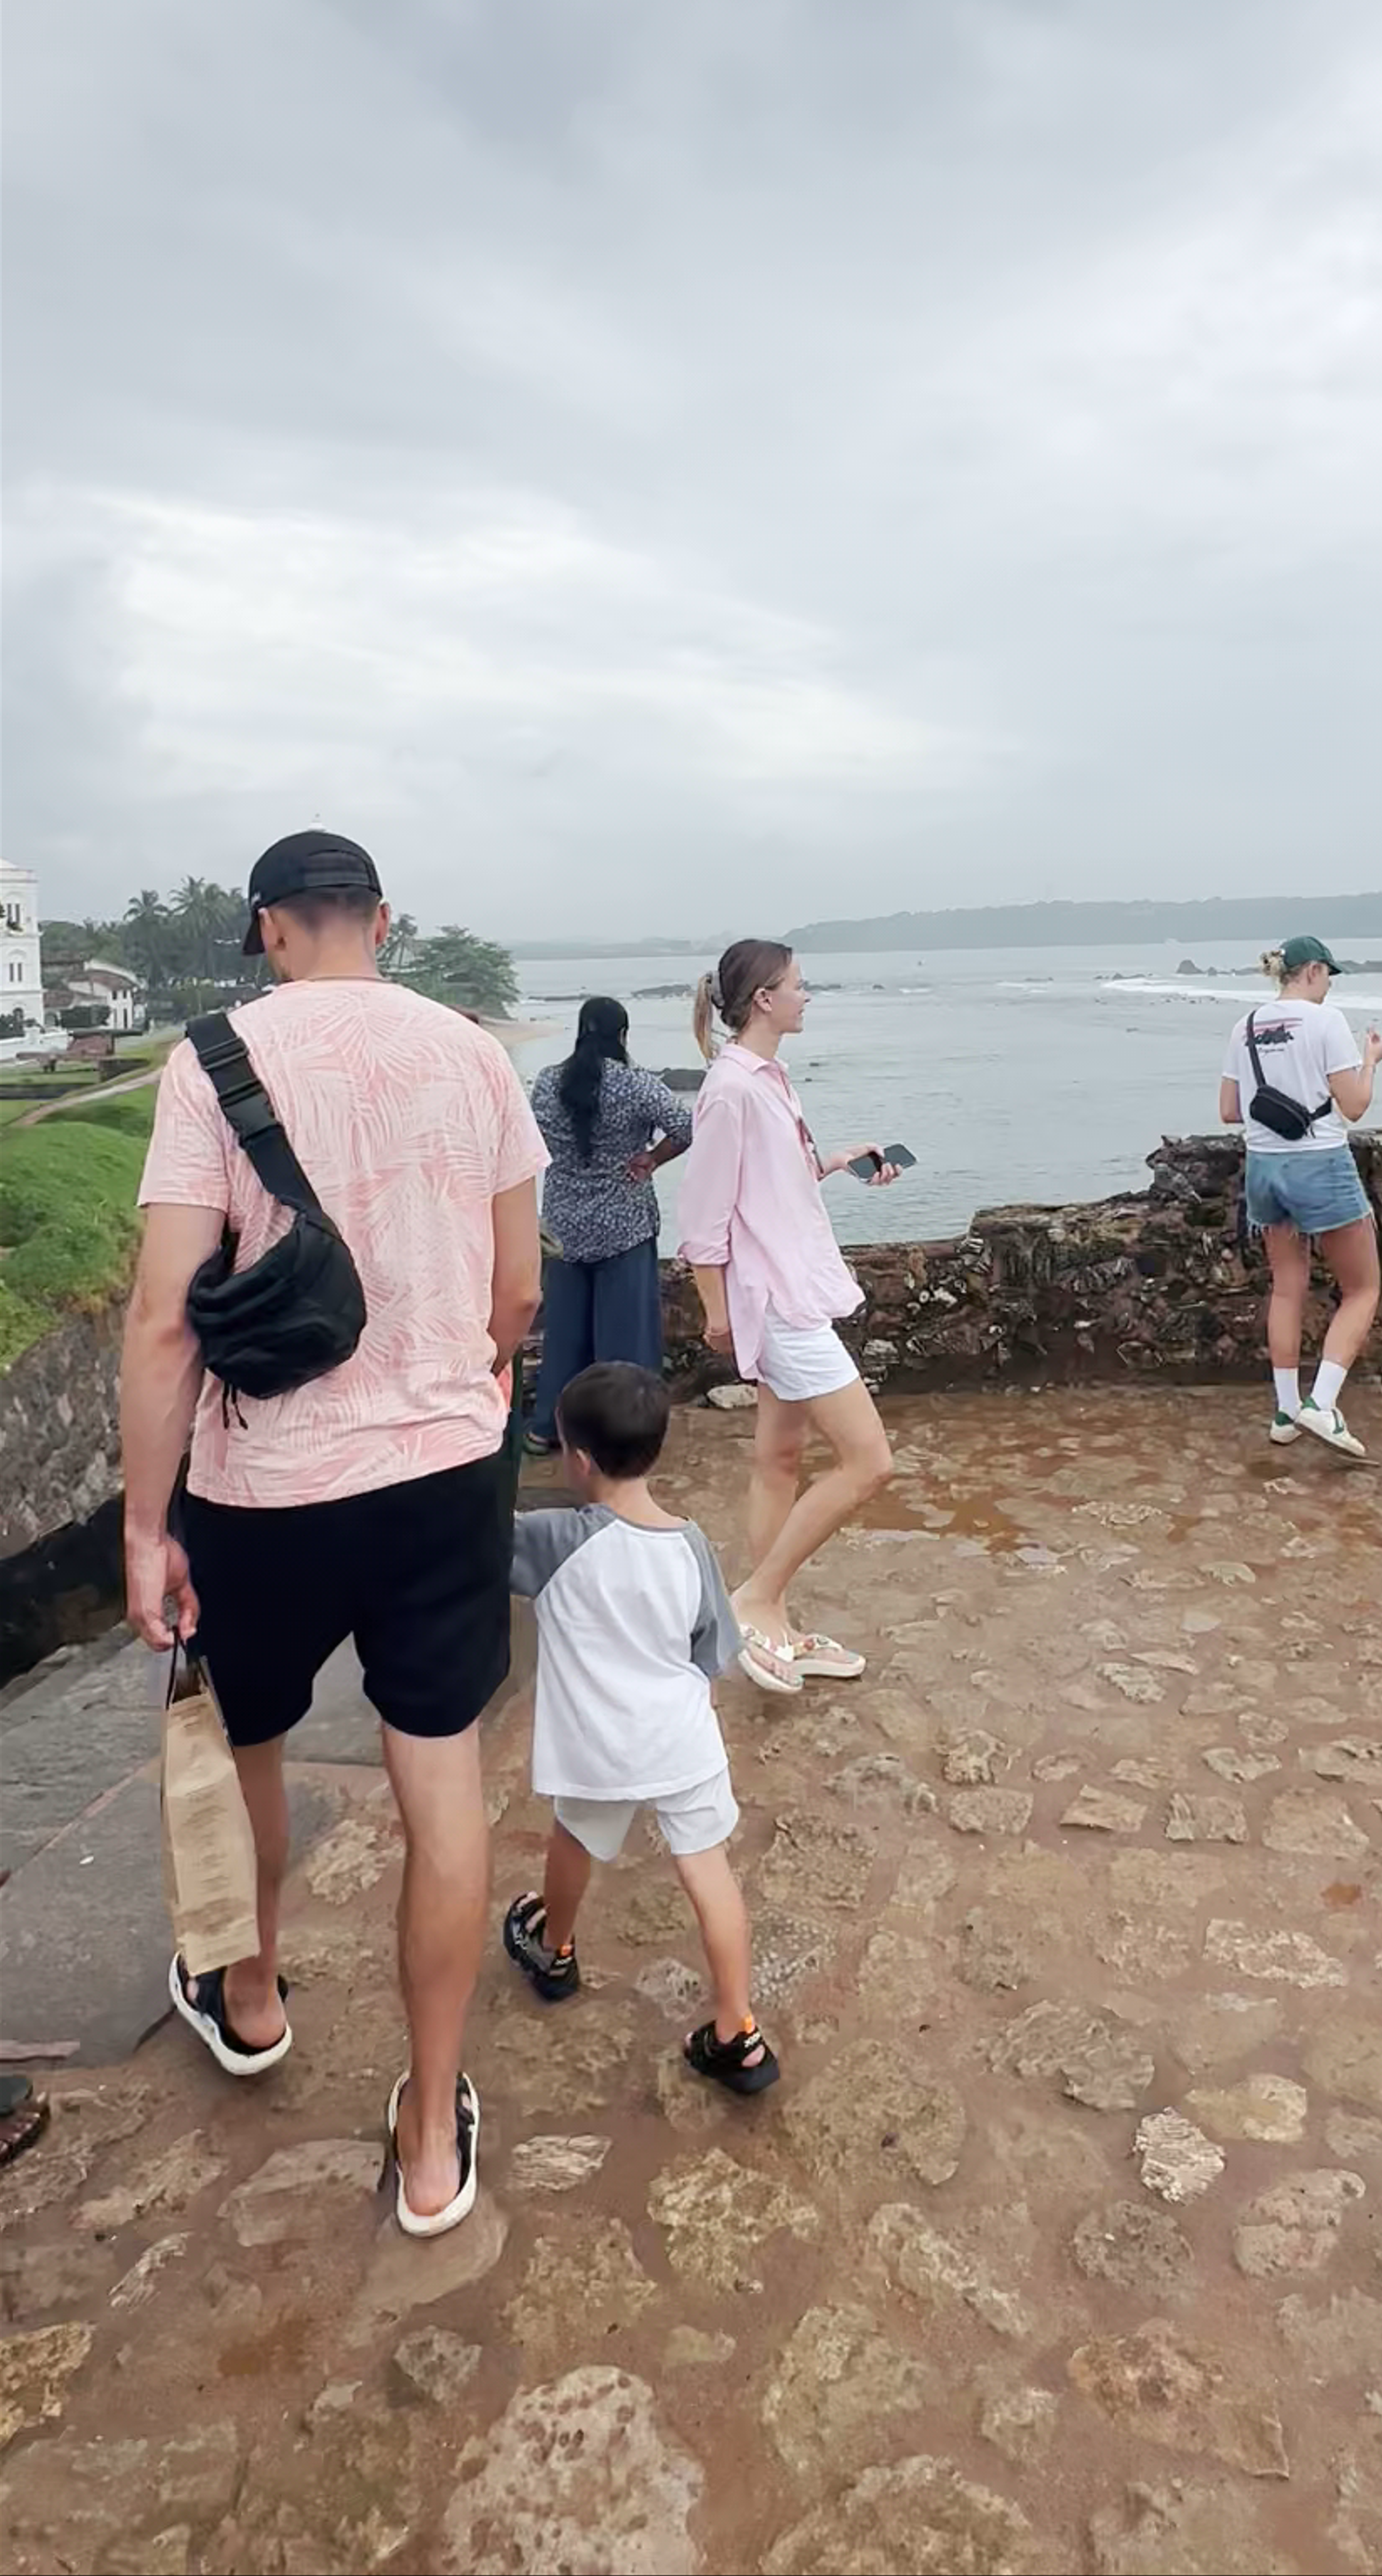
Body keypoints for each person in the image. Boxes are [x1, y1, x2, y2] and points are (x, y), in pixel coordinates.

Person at [122, 831, 547, 2238]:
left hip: (264, 1488)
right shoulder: (473, 1053)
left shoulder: (210, 1061)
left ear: (267, 927)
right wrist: (476, 1383)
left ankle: (250, 1998)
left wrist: (142, 1524)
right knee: (440, 1787)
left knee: (250, 1744)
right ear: (382, 918)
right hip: (440, 1473)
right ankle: (429, 2131)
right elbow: (518, 1289)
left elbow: (163, 1317)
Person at [502, 1362, 779, 2094]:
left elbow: (474, 1539)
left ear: (580, 1460)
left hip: (599, 1748)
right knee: (708, 1871)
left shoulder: (554, 1538)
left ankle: (554, 1946)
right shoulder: (689, 1543)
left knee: (575, 1837)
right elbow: (713, 1649)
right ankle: (738, 2029)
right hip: (682, 1741)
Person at [674, 939, 898, 1695]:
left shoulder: (768, 1079)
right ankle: (755, 1599)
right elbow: (703, 1218)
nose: (808, 996)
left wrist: (836, 1159)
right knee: (870, 1461)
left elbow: (774, 1180)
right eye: (800, 986)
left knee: (778, 1461)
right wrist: (715, 1315)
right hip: (779, 1306)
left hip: (792, 1289)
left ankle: (776, 1627)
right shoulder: (732, 1088)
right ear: (764, 999)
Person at [1218, 934, 1382, 1460]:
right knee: (1362, 1287)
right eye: (1329, 974)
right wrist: (1371, 1059)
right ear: (1312, 970)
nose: (1330, 984)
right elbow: (1355, 1105)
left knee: (1288, 1288)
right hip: (1320, 1163)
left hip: (1264, 1168)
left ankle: (1287, 1410)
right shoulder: (1326, 1021)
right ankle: (1324, 1401)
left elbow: (1230, 1109)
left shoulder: (1244, 1025)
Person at [525, 997, 693, 1445]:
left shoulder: (546, 1084)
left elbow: (525, 1137)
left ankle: (548, 1428)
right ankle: (622, 1435)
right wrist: (652, 1158)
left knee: (563, 1335)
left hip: (563, 1225)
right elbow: (686, 1126)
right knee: (626, 1340)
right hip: (624, 1224)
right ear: (622, 1036)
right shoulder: (637, 1085)